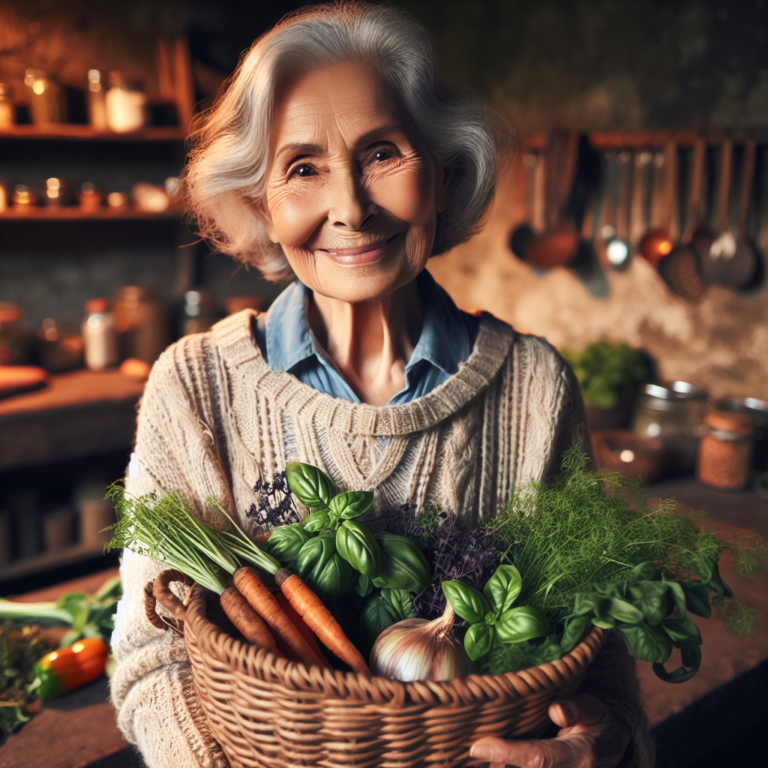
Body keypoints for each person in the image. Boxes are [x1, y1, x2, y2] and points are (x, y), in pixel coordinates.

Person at [110, 3, 653, 767]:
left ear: (443, 173)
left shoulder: (533, 386)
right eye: (303, 168)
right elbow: (153, 658)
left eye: (382, 154)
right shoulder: (195, 385)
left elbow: (594, 650)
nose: (351, 209)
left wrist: (606, 739)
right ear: (261, 201)